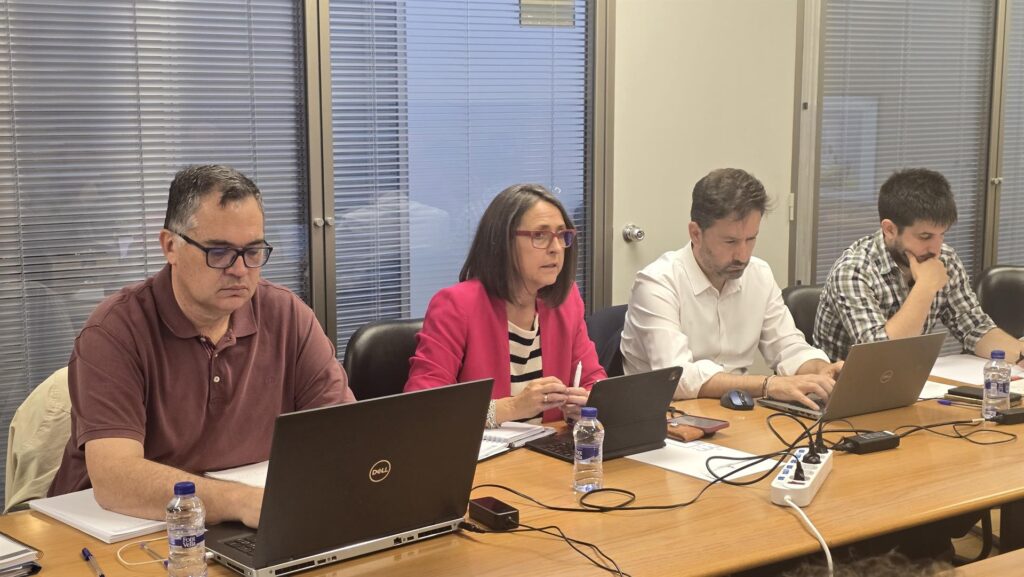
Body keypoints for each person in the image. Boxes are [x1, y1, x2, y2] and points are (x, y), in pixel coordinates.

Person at [48, 165, 354, 527]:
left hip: (240, 524)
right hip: (115, 531)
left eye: (253, 251)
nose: (240, 270)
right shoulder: (115, 331)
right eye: (219, 252)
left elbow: (344, 437)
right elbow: (116, 481)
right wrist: (241, 501)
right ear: (170, 246)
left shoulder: (288, 316)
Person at [620, 168, 841, 409]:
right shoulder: (657, 282)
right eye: (730, 241)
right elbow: (677, 377)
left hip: (737, 412)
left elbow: (788, 347)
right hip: (667, 415)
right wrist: (769, 385)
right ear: (696, 233)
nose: (743, 255)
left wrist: (822, 371)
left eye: (751, 239)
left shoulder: (759, 274)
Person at [404, 184, 605, 426]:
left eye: (562, 235)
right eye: (540, 236)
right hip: (484, 450)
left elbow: (594, 380)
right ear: (503, 242)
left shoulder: (565, 300)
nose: (556, 248)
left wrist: (585, 401)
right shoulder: (456, 306)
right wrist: (512, 407)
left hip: (549, 446)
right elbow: (423, 407)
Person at [815, 168, 1024, 363]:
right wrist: (925, 287)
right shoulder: (853, 270)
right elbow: (882, 355)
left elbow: (975, 329)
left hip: (912, 378)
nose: (936, 248)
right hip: (846, 385)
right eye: (925, 236)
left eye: (942, 234)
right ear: (889, 230)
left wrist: (1020, 354)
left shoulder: (945, 259)